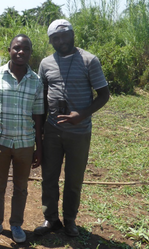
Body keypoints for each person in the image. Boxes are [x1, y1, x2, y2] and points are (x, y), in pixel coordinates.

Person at [34, 19, 109, 237]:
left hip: (79, 131)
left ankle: (70, 220)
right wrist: (39, 130)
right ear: (50, 41)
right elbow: (42, 99)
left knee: (74, 179)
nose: (61, 41)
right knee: (49, 177)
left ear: (72, 34)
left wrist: (81, 114)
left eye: (64, 35)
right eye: (55, 38)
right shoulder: (46, 63)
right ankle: (51, 219)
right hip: (52, 132)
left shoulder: (89, 60)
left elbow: (104, 95)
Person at [0, 34, 44, 244]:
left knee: (21, 187)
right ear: (9, 49)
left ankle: (16, 224)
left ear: (30, 52)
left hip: (25, 143)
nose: (21, 52)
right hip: (0, 140)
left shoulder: (36, 81)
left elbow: (38, 116)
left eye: (25, 49)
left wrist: (39, 146)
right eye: (16, 48)